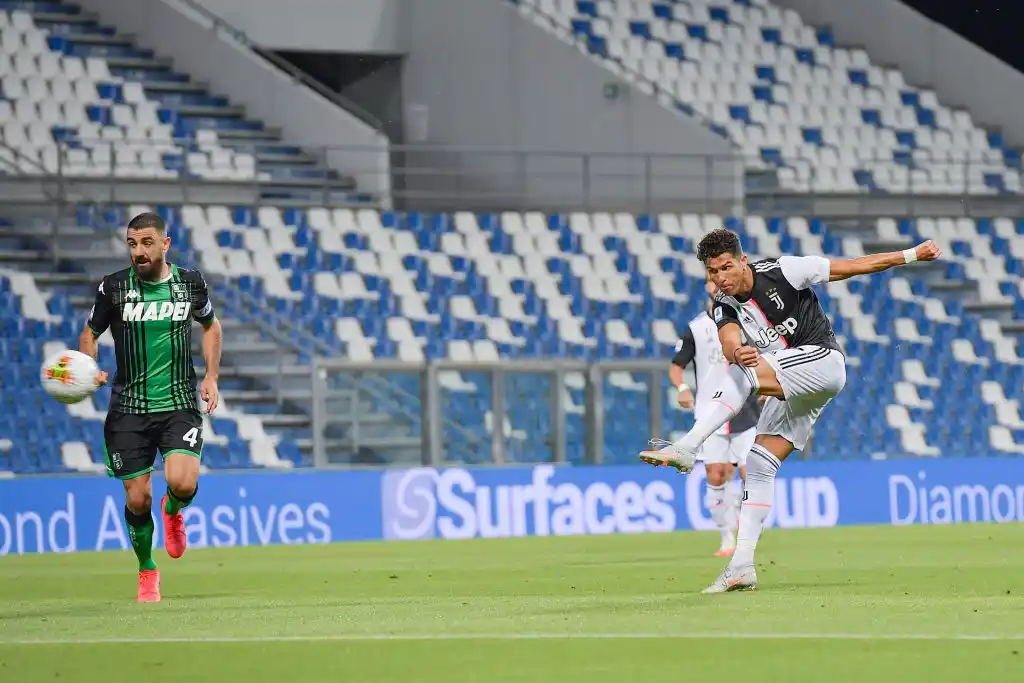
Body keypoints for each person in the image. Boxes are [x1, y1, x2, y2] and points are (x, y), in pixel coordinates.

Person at [640, 228, 941, 593]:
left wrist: (911, 255)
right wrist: (738, 352)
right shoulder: (723, 304)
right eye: (712, 272)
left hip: (824, 362)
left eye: (726, 267)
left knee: (745, 376)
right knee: (761, 462)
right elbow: (729, 340)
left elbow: (853, 266)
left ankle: (688, 447)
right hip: (793, 382)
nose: (721, 277)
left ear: (743, 260)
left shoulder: (784, 271)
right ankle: (741, 566)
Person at [78, 211, 222, 603]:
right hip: (128, 407)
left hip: (178, 402)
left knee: (182, 482)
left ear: (164, 244)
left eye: (145, 243)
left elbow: (211, 326)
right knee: (136, 500)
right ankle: (147, 570)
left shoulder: (190, 284)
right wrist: (88, 367)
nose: (138, 252)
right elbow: (89, 334)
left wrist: (211, 376)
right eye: (131, 244)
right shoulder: (113, 289)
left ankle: (173, 509)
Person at [665, 277, 762, 557]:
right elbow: (676, 366)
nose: (716, 285)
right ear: (708, 288)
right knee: (716, 475)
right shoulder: (696, 328)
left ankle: (747, 534)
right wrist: (682, 388)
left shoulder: (746, 320)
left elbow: (766, 352)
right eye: (710, 280)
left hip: (745, 410)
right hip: (710, 413)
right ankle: (726, 539)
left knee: (749, 473)